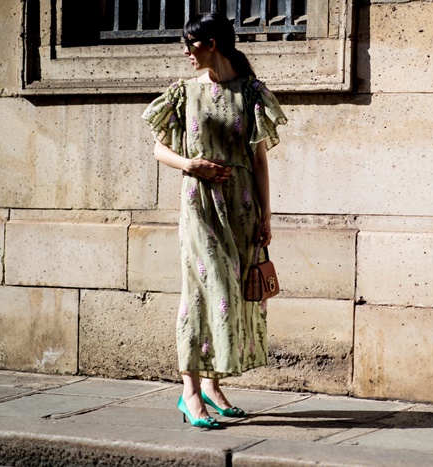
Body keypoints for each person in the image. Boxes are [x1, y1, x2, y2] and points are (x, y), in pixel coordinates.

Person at [142, 12, 286, 429]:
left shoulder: (251, 92)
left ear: (213, 43)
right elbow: (158, 150)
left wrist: (266, 215)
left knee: (232, 294)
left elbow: (259, 160)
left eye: (192, 43)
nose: (185, 51)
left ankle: (212, 385)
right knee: (204, 290)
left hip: (241, 207)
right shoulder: (183, 93)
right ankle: (189, 392)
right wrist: (191, 164)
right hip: (200, 204)